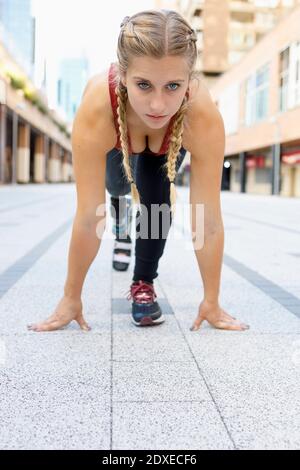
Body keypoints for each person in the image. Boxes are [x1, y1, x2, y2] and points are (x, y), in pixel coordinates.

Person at [27, 9, 250, 332]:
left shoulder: (201, 115)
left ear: (190, 80)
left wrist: (211, 301)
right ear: (123, 75)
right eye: (143, 85)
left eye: (173, 85)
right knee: (116, 189)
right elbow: (90, 216)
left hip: (163, 147)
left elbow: (208, 221)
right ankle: (122, 222)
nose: (158, 105)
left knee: (156, 202)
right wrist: (70, 297)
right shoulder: (97, 108)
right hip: (119, 139)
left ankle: (143, 282)